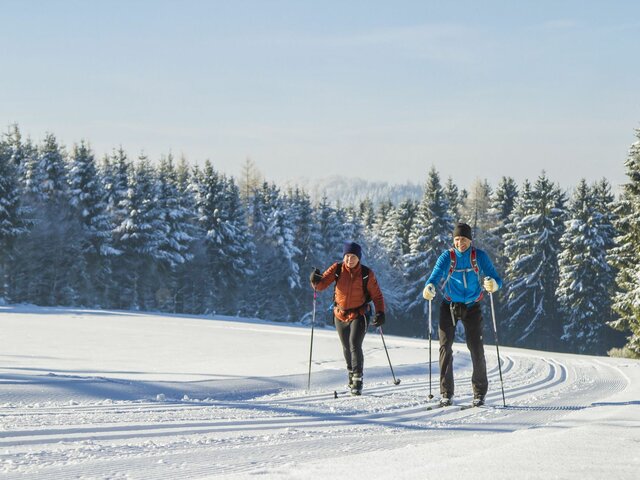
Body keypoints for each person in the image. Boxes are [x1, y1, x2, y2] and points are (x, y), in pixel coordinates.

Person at [422, 222, 502, 407]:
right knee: (445, 347)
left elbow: (496, 277)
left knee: (475, 348)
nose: (460, 243)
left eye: (463, 239)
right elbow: (434, 277)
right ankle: (446, 393)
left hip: (472, 306)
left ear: (470, 240)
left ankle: (479, 393)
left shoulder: (479, 256)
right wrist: (429, 287)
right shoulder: (447, 257)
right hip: (449, 305)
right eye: (457, 239)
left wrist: (494, 285)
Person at [310, 241, 386, 395]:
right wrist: (314, 279)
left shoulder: (366, 273)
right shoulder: (337, 269)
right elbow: (320, 286)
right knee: (346, 346)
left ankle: (358, 378)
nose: (349, 259)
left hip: (360, 313)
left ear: (359, 258)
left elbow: (377, 295)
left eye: (353, 257)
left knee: (354, 344)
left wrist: (380, 312)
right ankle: (351, 372)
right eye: (347, 256)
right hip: (340, 314)